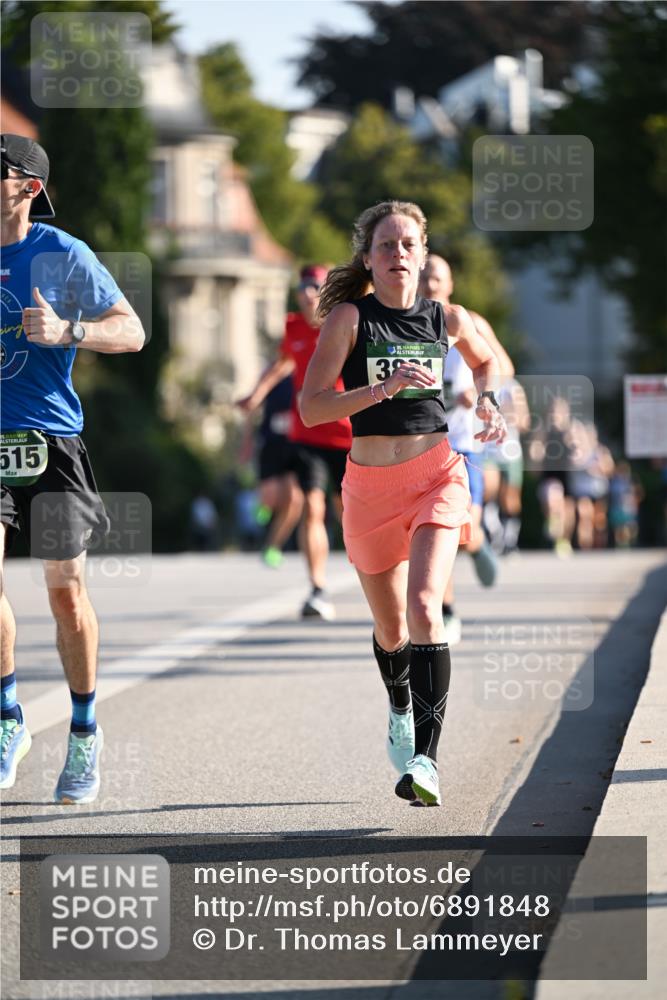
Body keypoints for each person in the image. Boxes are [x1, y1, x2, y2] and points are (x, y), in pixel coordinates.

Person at [300, 202, 506, 806]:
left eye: (408, 244)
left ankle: (427, 760)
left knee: (424, 606)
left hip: (437, 474)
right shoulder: (348, 319)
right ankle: (398, 704)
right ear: (368, 258)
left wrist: (488, 400)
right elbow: (312, 407)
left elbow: (487, 359)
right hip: (367, 488)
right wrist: (379, 390)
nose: (398, 255)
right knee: (390, 630)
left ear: (422, 254)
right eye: (386, 245)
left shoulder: (448, 318)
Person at [0, 134, 145, 799]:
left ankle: (85, 733)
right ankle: (8, 718)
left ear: (28, 187)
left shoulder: (63, 255)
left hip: (52, 443)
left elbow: (131, 329)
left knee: (64, 593)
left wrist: (69, 332)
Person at [237, 265, 352, 619]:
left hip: (347, 435)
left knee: (348, 514)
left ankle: (378, 574)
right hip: (308, 432)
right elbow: (282, 363)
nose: (306, 293)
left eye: (314, 286)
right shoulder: (293, 327)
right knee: (312, 509)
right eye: (302, 286)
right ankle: (317, 587)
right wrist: (256, 394)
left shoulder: (347, 323)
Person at [418, 255, 514, 645]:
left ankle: (477, 547)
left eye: (436, 277)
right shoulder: (401, 325)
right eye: (423, 276)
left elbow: (504, 366)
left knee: (458, 529)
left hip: (463, 445)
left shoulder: (467, 321)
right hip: (422, 444)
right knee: (435, 532)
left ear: (450, 284)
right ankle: (447, 610)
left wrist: (477, 394)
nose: (428, 283)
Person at [238, 374, 303, 568]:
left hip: (296, 444)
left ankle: (273, 546)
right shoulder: (272, 373)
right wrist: (247, 440)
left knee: (294, 500)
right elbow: (252, 406)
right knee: (271, 497)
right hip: (271, 443)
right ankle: (262, 505)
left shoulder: (312, 366)